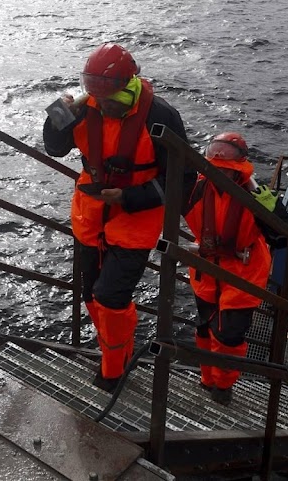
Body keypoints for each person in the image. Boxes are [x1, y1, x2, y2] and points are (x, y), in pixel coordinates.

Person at [43, 43, 195, 391]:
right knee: (91, 296)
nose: (104, 105)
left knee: (110, 296)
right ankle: (117, 350)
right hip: (90, 214)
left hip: (135, 220)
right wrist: (54, 119)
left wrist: (129, 197)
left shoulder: (161, 116)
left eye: (110, 98)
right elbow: (55, 147)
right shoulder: (84, 107)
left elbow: (182, 180)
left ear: (129, 87)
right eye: (97, 96)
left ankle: (113, 370)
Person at [183, 131, 288, 405]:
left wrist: (272, 212)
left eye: (228, 171)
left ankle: (223, 386)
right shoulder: (195, 189)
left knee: (229, 335)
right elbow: (161, 194)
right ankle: (207, 378)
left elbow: (285, 238)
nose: (222, 176)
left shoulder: (257, 196)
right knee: (205, 328)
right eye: (216, 169)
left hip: (244, 271)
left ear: (239, 171)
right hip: (206, 268)